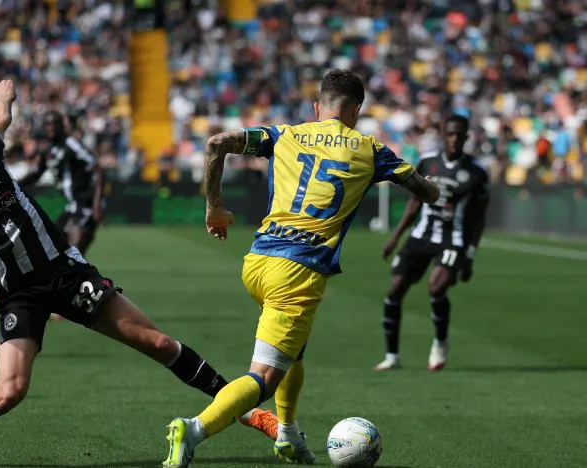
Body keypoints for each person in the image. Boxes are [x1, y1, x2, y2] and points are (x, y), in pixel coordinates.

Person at [0, 80, 279, 467]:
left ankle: (248, 411)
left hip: (66, 273)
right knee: (9, 391)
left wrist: (3, 96)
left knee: (158, 342)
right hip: (17, 296)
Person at [160, 69, 441, 468]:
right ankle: (193, 429)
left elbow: (216, 143)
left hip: (258, 261)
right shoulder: (371, 149)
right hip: (298, 271)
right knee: (263, 378)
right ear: (357, 110)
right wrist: (433, 184)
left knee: (294, 351)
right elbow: (427, 193)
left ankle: (288, 434)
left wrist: (214, 207)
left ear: (317, 107)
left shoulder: (285, 134)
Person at [375, 114, 489, 372]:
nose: (454, 139)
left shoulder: (477, 171)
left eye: (459, 134)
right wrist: (395, 238)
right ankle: (392, 356)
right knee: (394, 292)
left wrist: (470, 255)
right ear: (443, 134)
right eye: (450, 134)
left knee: (436, 288)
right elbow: (415, 202)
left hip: (453, 238)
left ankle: (440, 342)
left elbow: (479, 216)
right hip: (422, 235)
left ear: (466, 137)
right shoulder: (427, 161)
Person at [20, 110, 104, 256]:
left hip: (85, 205)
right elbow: (37, 173)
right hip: (71, 207)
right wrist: (12, 184)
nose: (51, 127)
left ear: (63, 126)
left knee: (75, 254)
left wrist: (97, 204)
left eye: (55, 124)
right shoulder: (49, 149)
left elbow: (98, 171)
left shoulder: (71, 144)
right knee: (53, 248)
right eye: (48, 124)